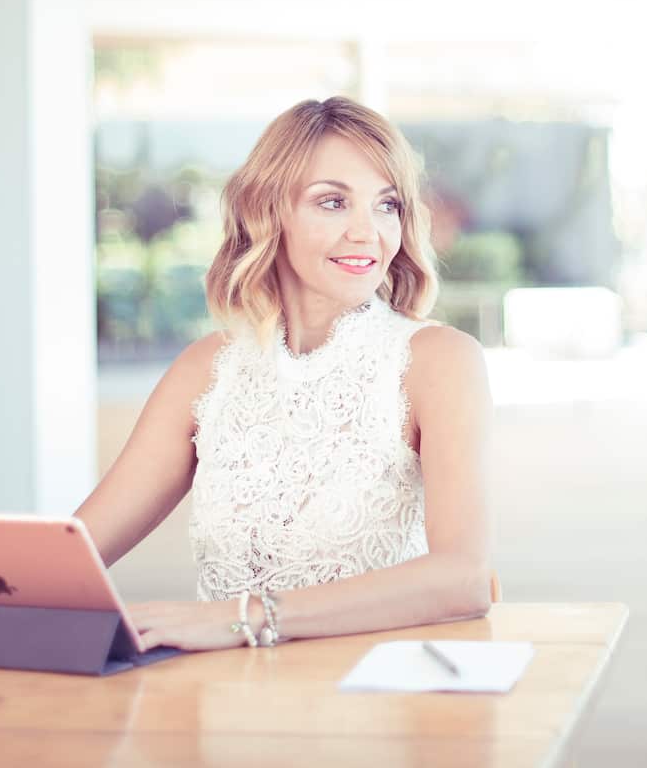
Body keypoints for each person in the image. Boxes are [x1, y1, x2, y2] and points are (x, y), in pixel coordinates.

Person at [74, 96, 493, 651]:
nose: (367, 232)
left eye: (386, 205)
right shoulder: (206, 371)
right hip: (222, 710)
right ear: (268, 211)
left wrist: (244, 618)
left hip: (374, 702)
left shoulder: (438, 361)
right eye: (333, 202)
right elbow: (76, 552)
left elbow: (463, 580)